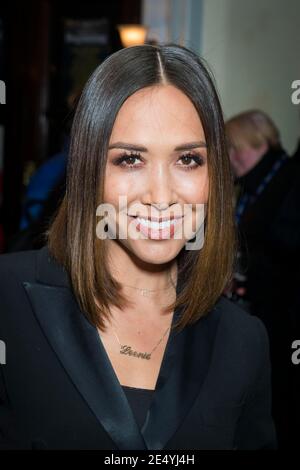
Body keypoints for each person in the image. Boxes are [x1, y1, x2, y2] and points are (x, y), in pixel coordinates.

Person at [0, 44, 276, 450]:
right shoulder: (7, 299)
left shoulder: (242, 342)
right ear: (89, 169)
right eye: (130, 159)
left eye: (187, 160)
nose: (161, 195)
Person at [225, 110, 300, 448]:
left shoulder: (288, 179)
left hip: (285, 316)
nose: (231, 158)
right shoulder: (257, 184)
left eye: (236, 148)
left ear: (259, 143)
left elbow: (287, 246)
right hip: (262, 307)